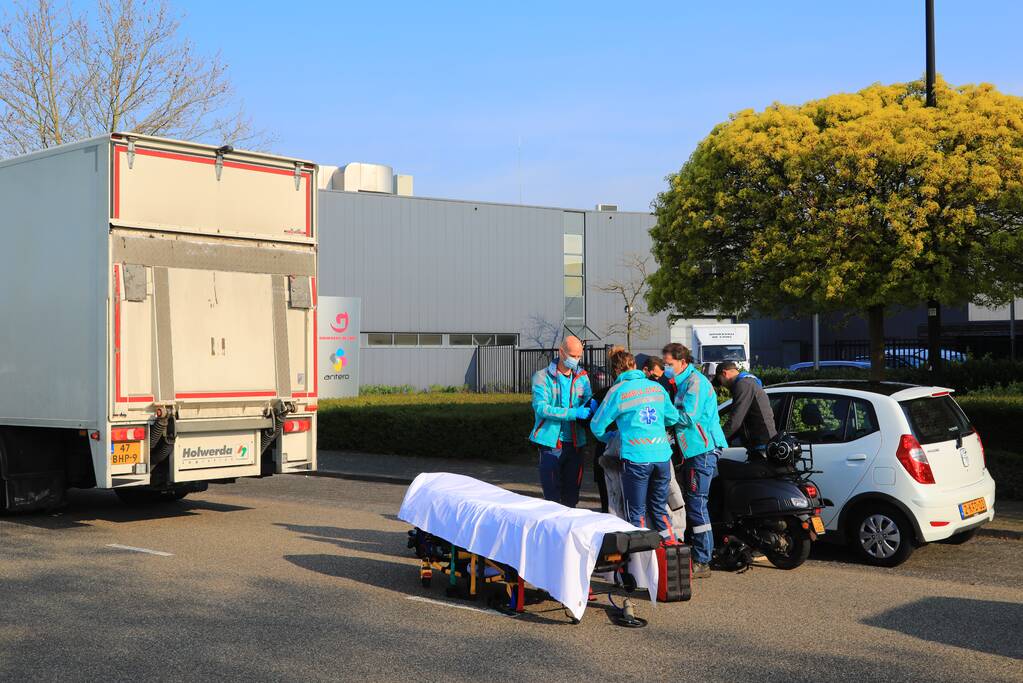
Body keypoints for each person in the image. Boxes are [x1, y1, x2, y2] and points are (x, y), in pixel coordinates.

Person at [590, 349, 681, 536]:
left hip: (636, 458)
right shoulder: (656, 388)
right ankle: (670, 545)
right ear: (635, 365)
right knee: (659, 508)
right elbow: (673, 418)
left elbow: (596, 426)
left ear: (616, 370)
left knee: (636, 512)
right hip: (662, 456)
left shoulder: (617, 391)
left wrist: (611, 437)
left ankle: (642, 553)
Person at [662, 343, 728, 578]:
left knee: (697, 503)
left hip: (702, 449)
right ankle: (700, 553)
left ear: (682, 362)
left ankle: (702, 560)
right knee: (695, 501)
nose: (666, 368)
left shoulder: (695, 383)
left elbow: (689, 417)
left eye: (669, 364)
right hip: (694, 450)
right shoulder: (683, 382)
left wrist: (662, 414)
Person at [529, 335, 594, 507]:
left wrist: (592, 407)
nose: (576, 360)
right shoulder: (542, 377)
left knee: (572, 497)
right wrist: (574, 413)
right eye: (573, 355)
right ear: (561, 352)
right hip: (551, 444)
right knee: (552, 498)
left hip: (576, 444)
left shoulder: (582, 377)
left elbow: (588, 401)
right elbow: (541, 408)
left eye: (579, 356)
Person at [716, 360, 777, 455]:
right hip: (762, 442)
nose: (722, 385)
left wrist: (716, 441)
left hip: (761, 443)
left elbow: (735, 421)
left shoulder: (743, 384)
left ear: (724, 373)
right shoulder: (749, 382)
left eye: (720, 381)